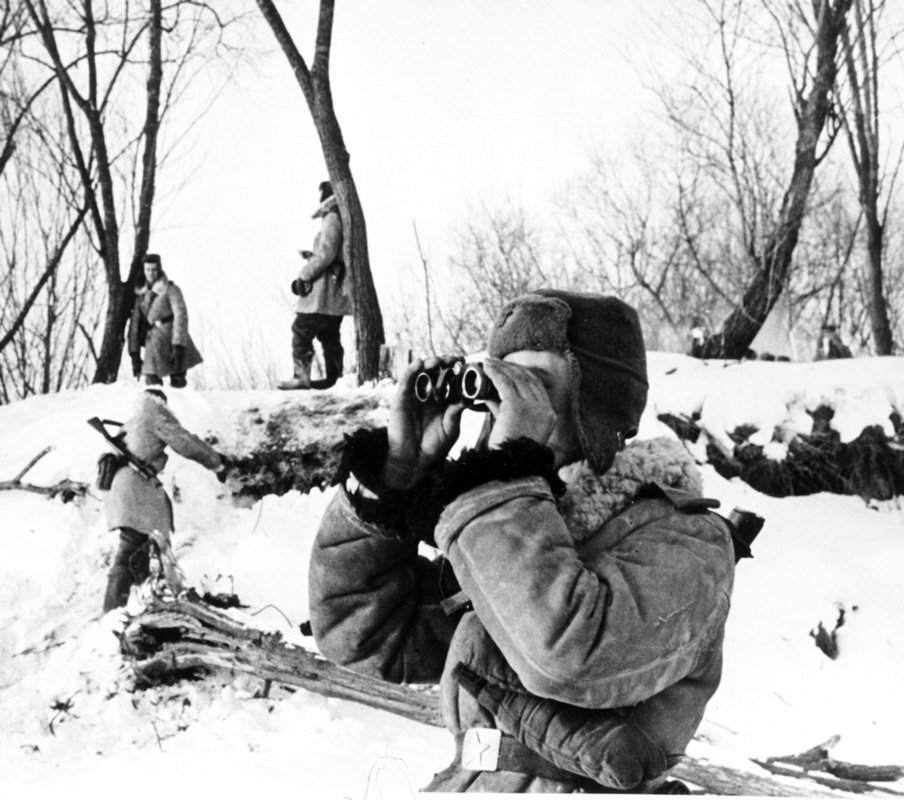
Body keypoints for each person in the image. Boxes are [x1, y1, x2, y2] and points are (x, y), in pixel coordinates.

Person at [308, 289, 737, 793]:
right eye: (503, 379)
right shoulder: (517, 528)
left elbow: (568, 659)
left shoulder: (688, 539)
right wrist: (398, 471)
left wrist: (502, 479)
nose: (509, 401)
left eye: (535, 385)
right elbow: (359, 632)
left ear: (597, 404)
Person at [101, 389, 225, 613]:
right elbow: (184, 442)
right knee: (130, 549)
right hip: (135, 486)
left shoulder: (133, 421)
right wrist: (216, 462)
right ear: (161, 402)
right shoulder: (154, 413)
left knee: (141, 548)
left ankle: (138, 605)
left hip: (127, 484)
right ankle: (113, 612)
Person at [277, 180, 353, 390]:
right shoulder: (343, 217)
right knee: (329, 335)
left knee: (301, 329)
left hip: (323, 293)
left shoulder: (332, 217)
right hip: (335, 294)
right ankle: (335, 379)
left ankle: (301, 377)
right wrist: (312, 256)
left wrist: (305, 275)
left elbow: (327, 254)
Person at [127, 254, 203, 388]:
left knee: (178, 385)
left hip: (171, 340)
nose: (151, 273)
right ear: (143, 270)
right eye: (147, 270)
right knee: (152, 385)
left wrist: (178, 346)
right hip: (153, 344)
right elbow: (134, 325)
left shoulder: (171, 289)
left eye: (154, 269)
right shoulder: (140, 295)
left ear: (159, 269)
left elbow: (180, 316)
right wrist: (134, 355)